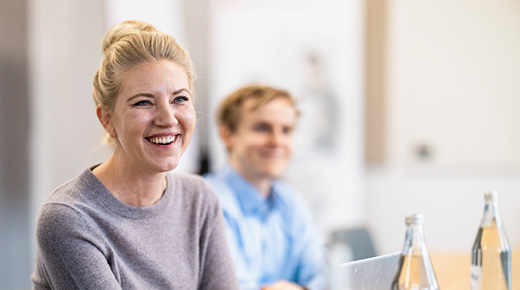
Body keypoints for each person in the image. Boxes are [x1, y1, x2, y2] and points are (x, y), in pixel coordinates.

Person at [31, 20, 239, 290]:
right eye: (144, 102)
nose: (168, 118)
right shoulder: (70, 218)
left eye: (180, 99)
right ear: (107, 120)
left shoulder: (199, 199)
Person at [204, 84, 327, 290]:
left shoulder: (291, 200)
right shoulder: (206, 200)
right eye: (262, 128)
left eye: (286, 130)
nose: (277, 141)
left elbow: (322, 276)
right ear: (227, 135)